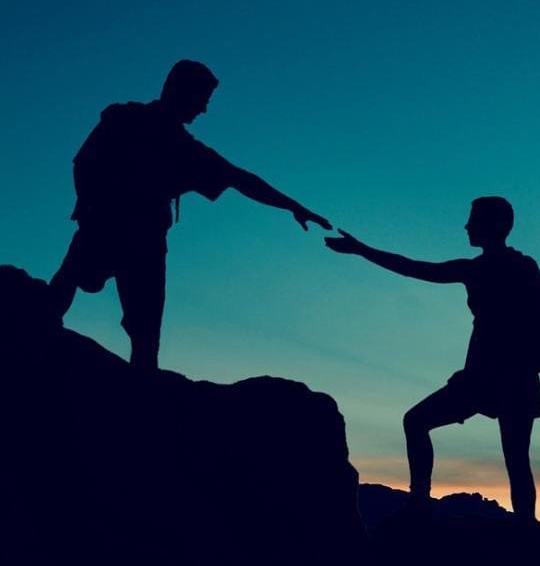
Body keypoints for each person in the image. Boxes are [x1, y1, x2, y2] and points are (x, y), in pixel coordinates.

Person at [48, 59, 332, 370]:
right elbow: (85, 163)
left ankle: (137, 394)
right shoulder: (127, 120)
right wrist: (91, 209)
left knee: (143, 333)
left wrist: (293, 206)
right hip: (112, 229)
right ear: (180, 91)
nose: (204, 110)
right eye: (202, 99)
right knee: (69, 293)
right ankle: (32, 342)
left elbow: (240, 179)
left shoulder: (181, 146)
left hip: (142, 241)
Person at [326, 196, 540, 522]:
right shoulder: (522, 269)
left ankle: (420, 500)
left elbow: (415, 269)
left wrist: (362, 250)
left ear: (493, 225)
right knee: (517, 459)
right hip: (515, 378)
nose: (466, 226)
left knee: (417, 422)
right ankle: (526, 528)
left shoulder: (479, 270)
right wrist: (362, 250)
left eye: (474, 219)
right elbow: (417, 269)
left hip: (486, 377)